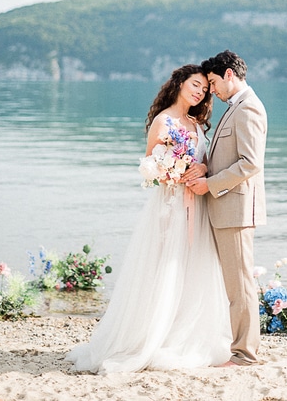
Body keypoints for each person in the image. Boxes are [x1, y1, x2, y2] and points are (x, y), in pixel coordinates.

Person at [68, 65, 232, 373]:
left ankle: (182, 333)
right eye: (195, 85)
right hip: (170, 206)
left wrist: (203, 170)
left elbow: (205, 162)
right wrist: (173, 170)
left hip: (197, 206)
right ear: (180, 83)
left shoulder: (196, 123)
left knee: (192, 268)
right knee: (165, 267)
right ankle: (152, 336)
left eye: (203, 89)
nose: (199, 92)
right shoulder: (164, 119)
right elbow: (150, 166)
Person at [187, 50, 267, 367]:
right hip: (226, 208)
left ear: (229, 74)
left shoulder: (249, 109)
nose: (212, 90)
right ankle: (240, 348)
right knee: (235, 283)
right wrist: (204, 169)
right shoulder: (236, 107)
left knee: (240, 284)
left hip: (234, 209)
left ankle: (245, 354)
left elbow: (250, 164)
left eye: (213, 82)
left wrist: (210, 184)